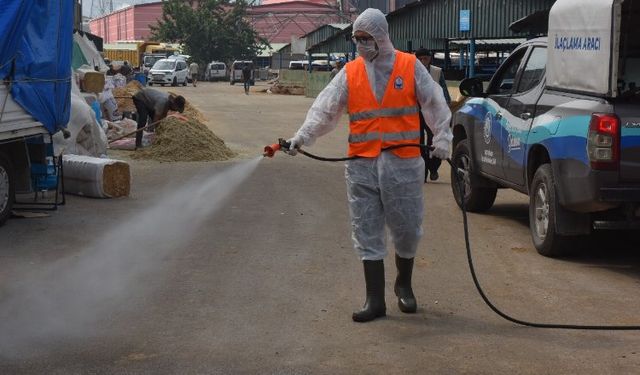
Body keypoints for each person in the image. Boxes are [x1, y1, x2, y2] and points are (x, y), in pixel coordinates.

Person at [285, 8, 452, 322]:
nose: (361, 44)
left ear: (381, 36)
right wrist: (302, 137)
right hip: (362, 164)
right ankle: (374, 300)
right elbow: (325, 108)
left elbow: (433, 101)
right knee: (366, 229)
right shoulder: (351, 72)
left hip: (402, 164)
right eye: (357, 39)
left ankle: (404, 285)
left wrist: (442, 137)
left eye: (366, 38)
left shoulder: (409, 65)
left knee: (406, 229)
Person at [415, 48, 451, 182]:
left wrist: (446, 109)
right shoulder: (411, 71)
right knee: (418, 142)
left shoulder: (437, 71)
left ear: (430, 58)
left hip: (432, 112)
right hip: (416, 111)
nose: (423, 61)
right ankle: (422, 172)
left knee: (434, 140)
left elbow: (444, 91)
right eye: (420, 59)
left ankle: (433, 167)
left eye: (425, 58)